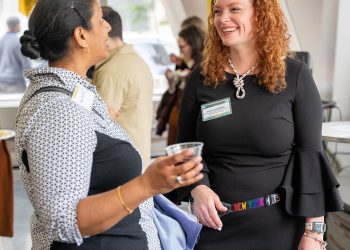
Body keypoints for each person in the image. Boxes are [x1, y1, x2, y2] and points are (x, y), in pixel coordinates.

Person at [17, 0, 203, 249]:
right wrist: (147, 184)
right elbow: (64, 221)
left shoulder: (73, 93)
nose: (108, 27)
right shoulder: (58, 108)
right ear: (81, 36)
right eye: (100, 19)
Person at [176, 0, 343, 249]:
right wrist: (198, 187)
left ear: (260, 14)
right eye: (218, 11)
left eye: (234, 9)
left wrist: (314, 233)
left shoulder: (295, 75)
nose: (222, 19)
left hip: (279, 226)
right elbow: (186, 148)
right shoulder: (200, 79)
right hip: (215, 226)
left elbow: (310, 157)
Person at [93, 6, 153, 168]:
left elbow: (99, 124)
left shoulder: (111, 70)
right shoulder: (136, 60)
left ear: (104, 30)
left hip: (120, 164)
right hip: (138, 156)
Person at [156, 25, 205, 145]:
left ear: (193, 45)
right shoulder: (183, 61)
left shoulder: (203, 64)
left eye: (182, 46)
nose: (180, 50)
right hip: (177, 107)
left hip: (192, 111)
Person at [0, 16, 31, 94]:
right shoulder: (18, 42)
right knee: (19, 105)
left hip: (1, 81)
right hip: (16, 82)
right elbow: (25, 63)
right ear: (16, 26)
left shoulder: (1, 41)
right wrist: (31, 78)